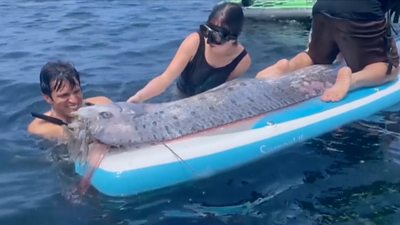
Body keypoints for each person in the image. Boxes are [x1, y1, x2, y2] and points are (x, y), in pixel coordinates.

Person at [256, 0, 400, 102]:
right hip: (360, 10)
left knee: (316, 56)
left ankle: (286, 67)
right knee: (390, 67)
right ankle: (351, 80)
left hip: (323, 7)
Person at [127, 2, 251, 103]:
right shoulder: (195, 42)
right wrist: (139, 98)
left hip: (209, 102)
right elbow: (165, 79)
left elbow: (224, 90)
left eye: (216, 37)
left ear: (232, 38)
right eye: (206, 32)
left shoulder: (242, 61)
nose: (208, 41)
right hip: (181, 95)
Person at [28, 61, 112, 140]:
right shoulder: (39, 127)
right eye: (64, 95)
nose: (74, 101)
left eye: (76, 91)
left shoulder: (101, 102)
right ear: (48, 98)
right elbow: (74, 136)